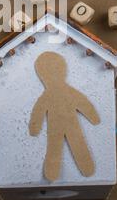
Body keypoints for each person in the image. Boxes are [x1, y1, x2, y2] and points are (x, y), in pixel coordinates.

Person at [29, 51, 100, 181]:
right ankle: (53, 174)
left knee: (73, 144)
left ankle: (85, 168)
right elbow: (39, 112)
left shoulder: (53, 94)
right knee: (58, 147)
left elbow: (83, 103)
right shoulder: (52, 95)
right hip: (56, 128)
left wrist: (94, 117)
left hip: (67, 125)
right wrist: (35, 127)